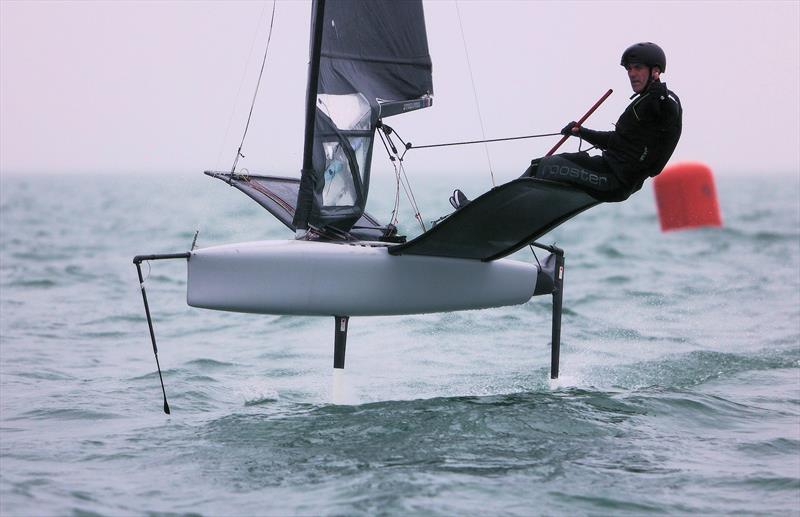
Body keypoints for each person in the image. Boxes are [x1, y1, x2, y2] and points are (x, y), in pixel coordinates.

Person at [451, 42, 682, 208]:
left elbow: (660, 151)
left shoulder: (662, 103)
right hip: (605, 166)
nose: (631, 74)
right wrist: (581, 132)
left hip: (615, 181)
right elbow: (616, 141)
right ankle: (484, 208)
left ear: (656, 71)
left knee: (548, 168)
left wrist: (661, 100)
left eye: (638, 68)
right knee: (538, 166)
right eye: (629, 69)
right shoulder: (643, 103)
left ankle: (490, 213)